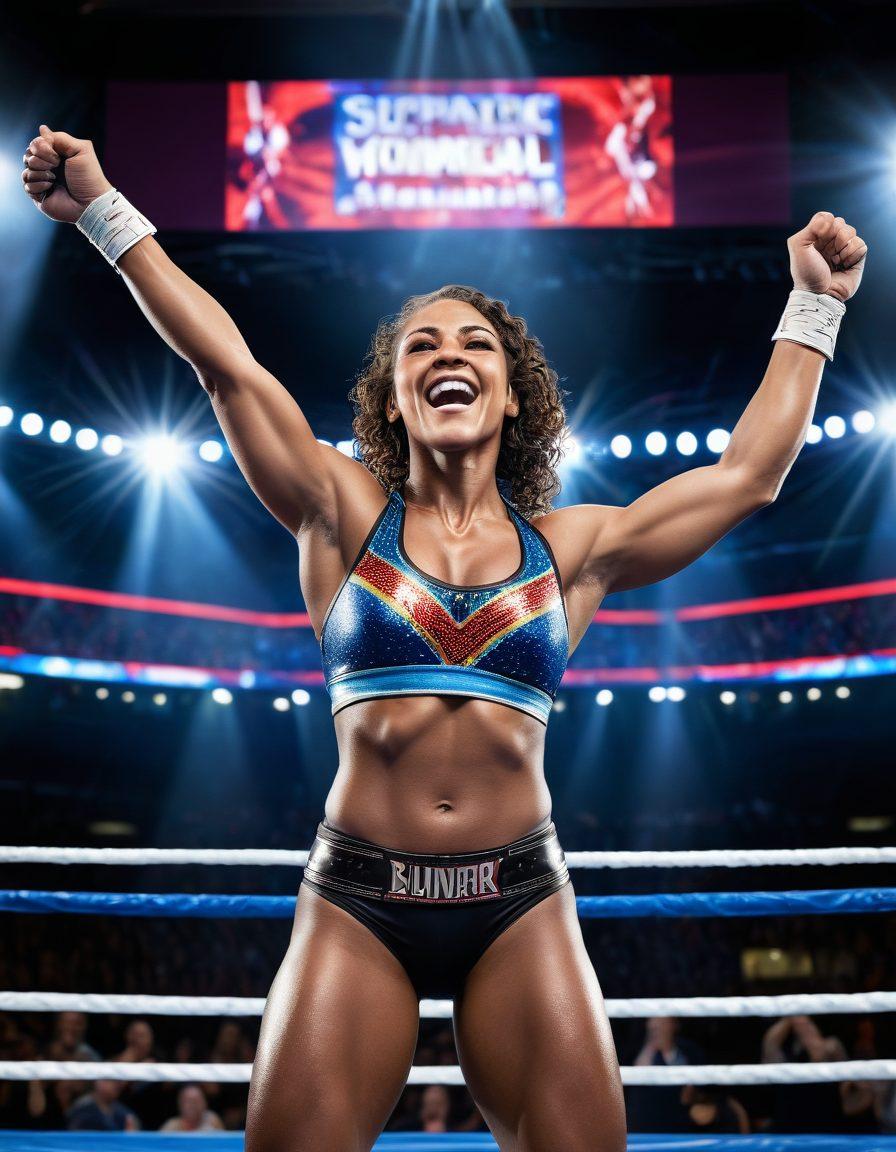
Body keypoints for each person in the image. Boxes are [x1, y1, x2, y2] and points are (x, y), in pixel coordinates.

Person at [22, 123, 867, 1152]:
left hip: (518, 901)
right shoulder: (339, 511)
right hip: (358, 902)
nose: (447, 355)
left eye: (474, 344)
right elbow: (225, 365)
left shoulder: (571, 551)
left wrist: (815, 302)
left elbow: (747, 476)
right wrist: (102, 211)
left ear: (511, 396)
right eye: (420, 345)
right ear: (393, 399)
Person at [160, 1084, 224, 1133]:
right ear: (180, 1104)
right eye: (189, 1101)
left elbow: (223, 1144)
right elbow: (159, 1144)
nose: (192, 1105)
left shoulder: (212, 1120)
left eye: (196, 1101)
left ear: (204, 1103)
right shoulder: (172, 1126)